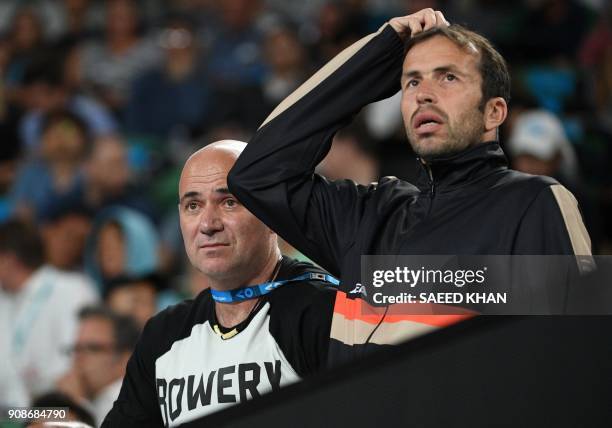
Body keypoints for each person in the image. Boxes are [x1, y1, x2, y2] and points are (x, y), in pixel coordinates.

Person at [227, 9, 592, 363]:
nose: (423, 94)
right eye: (411, 81)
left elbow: (571, 360)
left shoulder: (532, 203)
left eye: (448, 77)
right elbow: (256, 174)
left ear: (493, 112)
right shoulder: (371, 215)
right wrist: (374, 60)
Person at [103, 141, 336, 426]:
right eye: (193, 205)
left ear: (273, 213)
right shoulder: (163, 335)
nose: (208, 224)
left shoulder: (321, 310)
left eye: (229, 202)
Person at [0, 219, 98, 407]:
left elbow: (76, 370)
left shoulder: (71, 290)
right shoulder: (5, 298)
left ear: (8, 260)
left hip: (61, 409)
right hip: (15, 412)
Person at [58, 306, 140, 427]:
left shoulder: (131, 402)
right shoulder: (96, 400)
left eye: (92, 348)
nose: (79, 358)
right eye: (76, 349)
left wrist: (78, 406)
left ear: (125, 359)